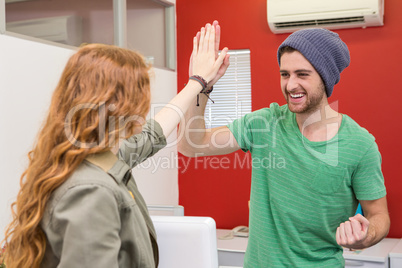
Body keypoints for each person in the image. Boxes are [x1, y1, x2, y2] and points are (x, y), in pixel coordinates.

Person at [2, 21, 229, 267]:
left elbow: (151, 136)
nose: (145, 102)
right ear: (122, 104)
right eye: (142, 92)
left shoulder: (88, 159)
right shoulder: (90, 191)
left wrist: (197, 82)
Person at [178, 28, 390, 267]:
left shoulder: (359, 144)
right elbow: (190, 145)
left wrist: (365, 236)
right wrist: (199, 86)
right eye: (285, 74)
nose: (291, 85)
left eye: (302, 74)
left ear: (326, 77)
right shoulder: (264, 123)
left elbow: (379, 215)